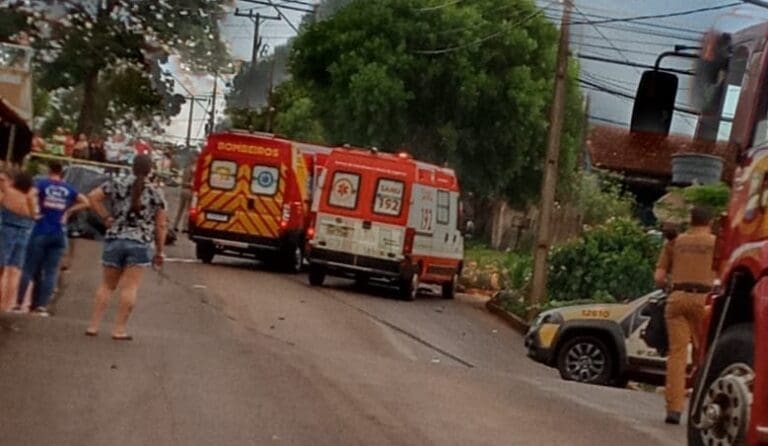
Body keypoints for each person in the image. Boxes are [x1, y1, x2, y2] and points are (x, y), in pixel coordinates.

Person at [85, 154, 167, 340]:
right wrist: (160, 251)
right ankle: (119, 329)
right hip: (139, 242)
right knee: (129, 288)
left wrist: (106, 217)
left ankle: (93, 325)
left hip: (115, 237)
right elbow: (161, 224)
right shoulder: (155, 192)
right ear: (150, 170)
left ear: (132, 167)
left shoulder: (117, 183)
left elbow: (92, 197)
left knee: (107, 285)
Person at [654, 206, 716, 425]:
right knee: (707, 355)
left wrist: (671, 287)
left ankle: (674, 409)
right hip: (705, 301)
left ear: (691, 221)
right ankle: (705, 408)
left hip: (678, 298)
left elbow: (659, 277)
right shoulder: (715, 244)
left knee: (677, 355)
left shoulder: (675, 243)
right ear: (710, 221)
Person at [12, 162, 89, 316]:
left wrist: (34, 213)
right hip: (59, 233)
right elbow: (86, 202)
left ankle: (19, 304)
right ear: (61, 173)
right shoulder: (68, 189)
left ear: (49, 171)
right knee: (51, 272)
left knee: (29, 268)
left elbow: (29, 195)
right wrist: (67, 211)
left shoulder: (42, 184)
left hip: (41, 230)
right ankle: (41, 307)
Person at [0, 170, 39, 311]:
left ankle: (0, 301)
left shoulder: (8, 193)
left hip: (6, 230)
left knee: (2, 268)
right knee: (15, 270)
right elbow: (34, 215)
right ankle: (7, 305)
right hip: (25, 232)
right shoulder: (29, 198)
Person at [173, 159, 196, 233]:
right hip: (189, 191)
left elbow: (182, 181)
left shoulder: (186, 169)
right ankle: (184, 227)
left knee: (180, 209)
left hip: (183, 190)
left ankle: (175, 225)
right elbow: (192, 183)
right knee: (187, 210)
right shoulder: (193, 170)